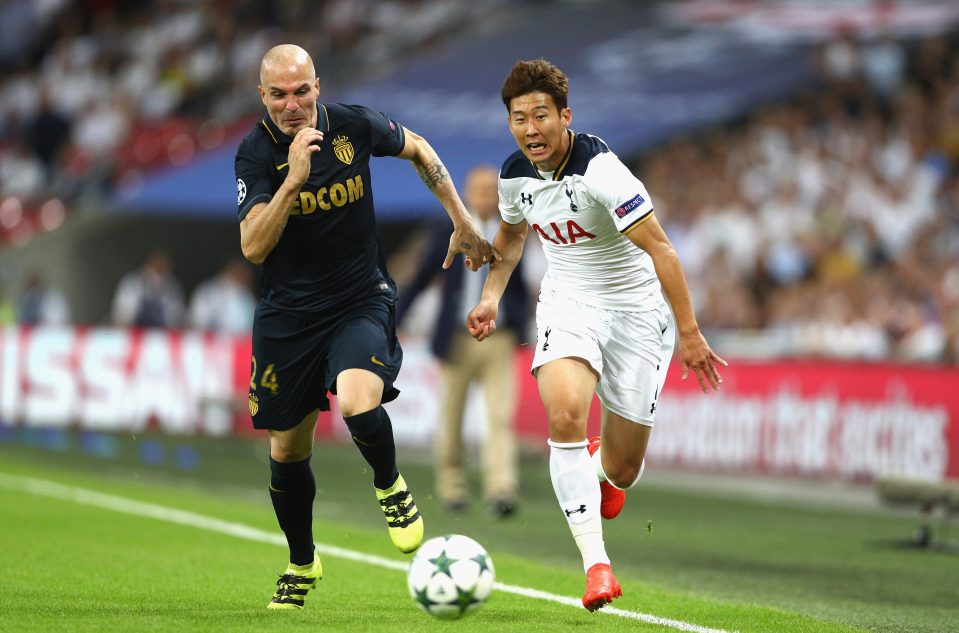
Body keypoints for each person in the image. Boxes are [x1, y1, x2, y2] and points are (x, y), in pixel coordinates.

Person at [234, 44, 495, 610]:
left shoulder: (353, 125)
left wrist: (462, 218)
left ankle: (390, 485)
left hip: (359, 298)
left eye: (301, 91)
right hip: (287, 317)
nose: (292, 105)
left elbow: (419, 149)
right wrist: (294, 179)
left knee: (357, 401)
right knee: (286, 449)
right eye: (278, 94)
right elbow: (253, 246)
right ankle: (302, 561)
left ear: (317, 87)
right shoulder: (254, 156)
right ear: (263, 96)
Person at [466, 59, 726, 612]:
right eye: (518, 118)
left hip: (636, 313)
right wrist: (489, 297)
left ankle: (602, 466)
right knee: (562, 413)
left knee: (624, 470)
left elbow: (661, 249)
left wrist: (690, 333)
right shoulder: (514, 175)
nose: (531, 129)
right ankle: (597, 568)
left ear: (566, 116)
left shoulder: (602, 172)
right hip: (570, 302)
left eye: (541, 116)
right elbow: (511, 237)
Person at [396, 165, 528, 519]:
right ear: (467, 193)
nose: (485, 196)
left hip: (499, 338)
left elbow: (521, 282)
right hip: (456, 337)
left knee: (500, 415)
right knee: (451, 415)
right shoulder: (448, 231)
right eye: (479, 189)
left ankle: (501, 489)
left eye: (491, 190)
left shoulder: (513, 230)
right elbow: (422, 278)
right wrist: (393, 320)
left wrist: (522, 322)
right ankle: (452, 488)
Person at [110, 250, 185, 328]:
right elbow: (121, 316)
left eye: (164, 267)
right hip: (133, 332)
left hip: (161, 335)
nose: (159, 270)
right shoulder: (132, 283)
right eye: (157, 266)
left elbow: (176, 320)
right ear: (147, 265)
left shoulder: (173, 287)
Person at [187, 258, 256, 334]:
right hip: (210, 339)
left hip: (240, 340)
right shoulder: (208, 291)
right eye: (240, 273)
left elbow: (251, 325)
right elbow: (197, 320)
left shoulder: (246, 295)